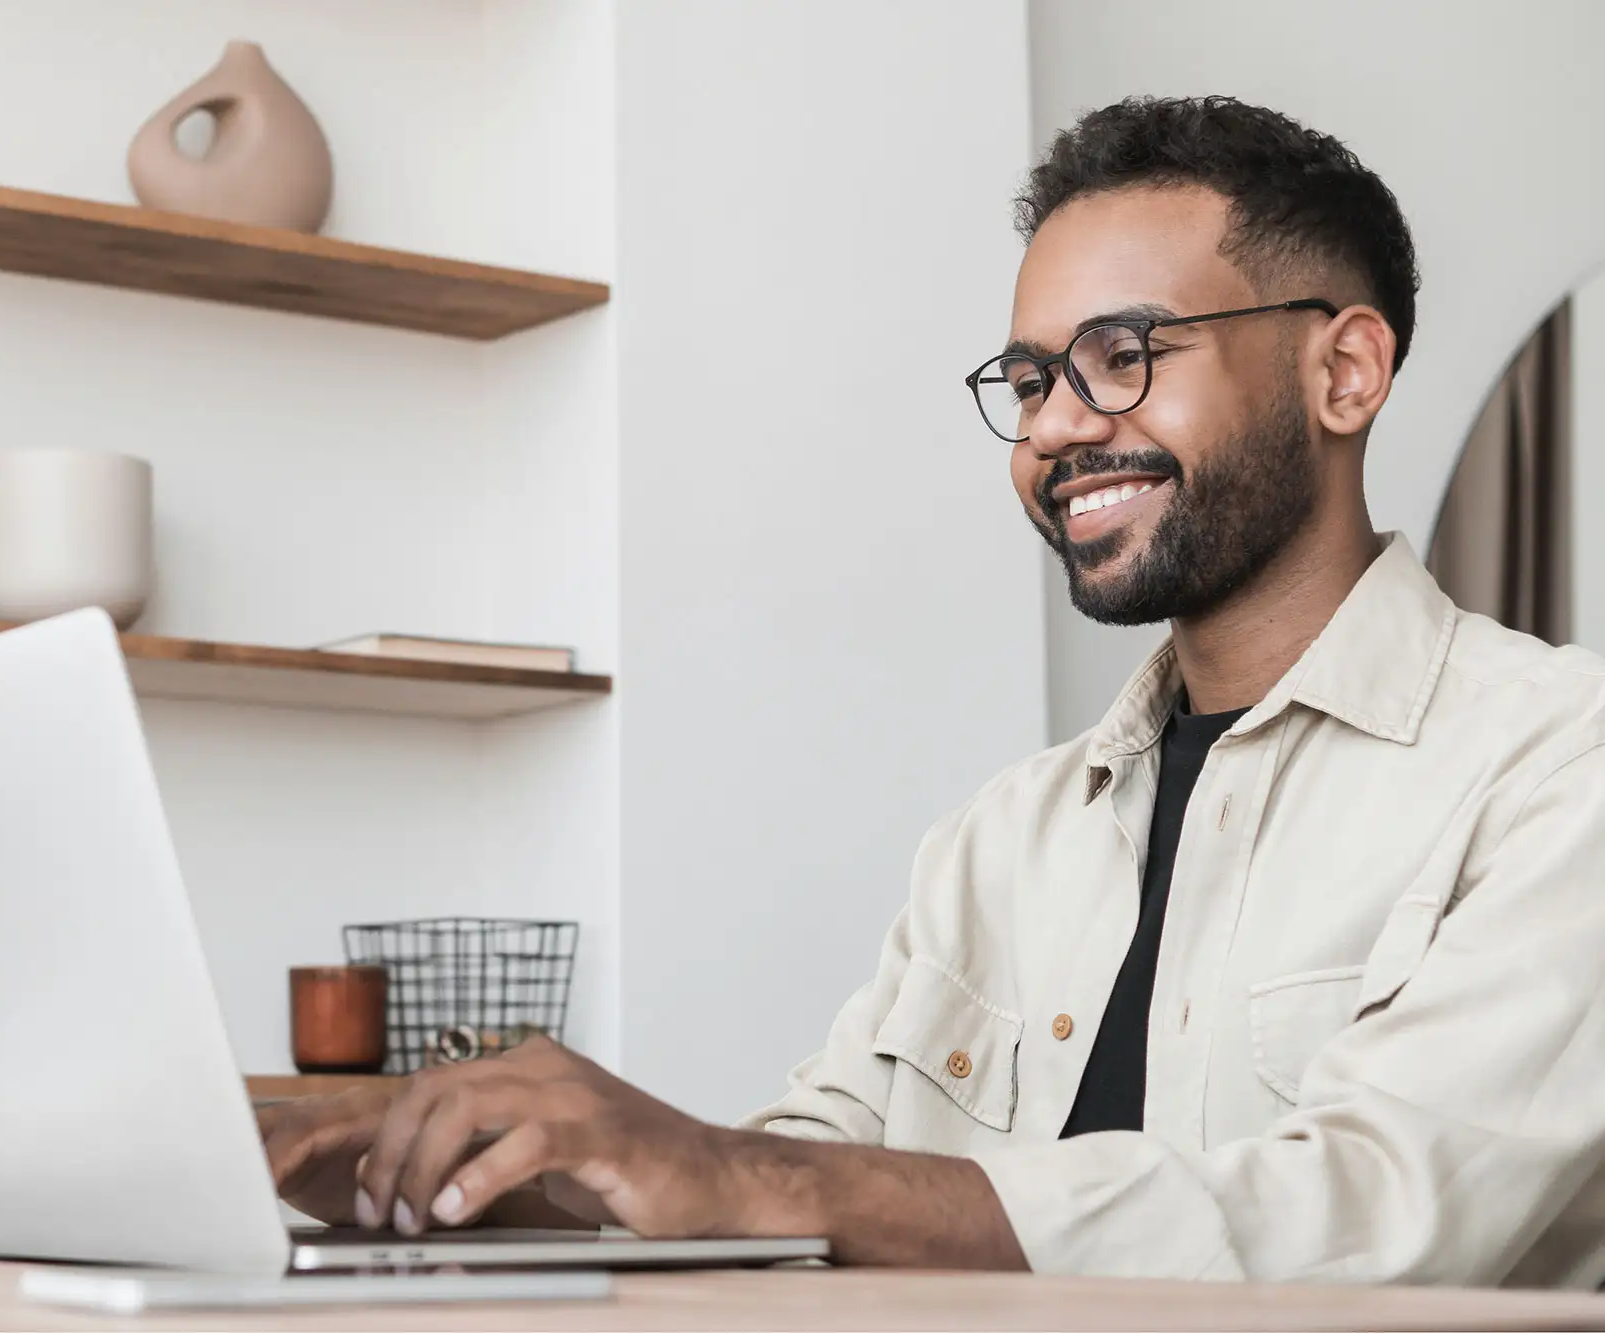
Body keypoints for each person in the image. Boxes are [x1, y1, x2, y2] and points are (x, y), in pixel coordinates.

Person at [258, 96, 1605, 1286]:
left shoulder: (1557, 769)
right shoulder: (1006, 838)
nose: (1055, 427)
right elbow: (799, 1179)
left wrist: (744, 1180)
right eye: (1030, 380)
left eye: (1124, 355)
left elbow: (1370, 1212)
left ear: (1344, 372)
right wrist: (454, 1170)